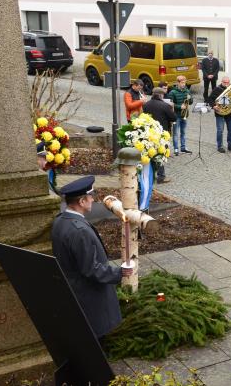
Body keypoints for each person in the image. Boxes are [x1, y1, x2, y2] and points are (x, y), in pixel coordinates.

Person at [51, 176, 132, 340]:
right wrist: (119, 272)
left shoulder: (60, 221)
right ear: (82, 201)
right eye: (90, 196)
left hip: (73, 290)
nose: (93, 199)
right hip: (88, 297)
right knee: (95, 341)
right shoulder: (79, 230)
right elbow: (91, 269)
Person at [143, 87, 176, 184]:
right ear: (161, 95)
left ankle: (150, 174)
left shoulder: (146, 104)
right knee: (160, 154)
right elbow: (174, 118)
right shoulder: (165, 105)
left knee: (151, 153)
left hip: (150, 133)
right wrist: (171, 108)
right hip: (162, 134)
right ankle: (161, 176)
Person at [166, 76, 193, 155]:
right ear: (177, 83)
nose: (184, 84)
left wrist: (190, 98)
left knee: (183, 132)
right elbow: (170, 104)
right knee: (175, 133)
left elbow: (190, 102)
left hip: (184, 115)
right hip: (176, 116)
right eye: (182, 83)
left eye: (184, 83)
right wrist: (179, 106)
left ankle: (183, 148)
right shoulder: (172, 92)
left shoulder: (187, 91)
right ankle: (176, 149)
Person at [208, 76, 231, 153]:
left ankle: (230, 145)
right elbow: (210, 99)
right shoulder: (217, 89)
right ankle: (220, 146)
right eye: (224, 82)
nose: (226, 84)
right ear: (221, 82)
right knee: (220, 130)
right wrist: (214, 106)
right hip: (220, 113)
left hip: (229, 113)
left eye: (227, 82)